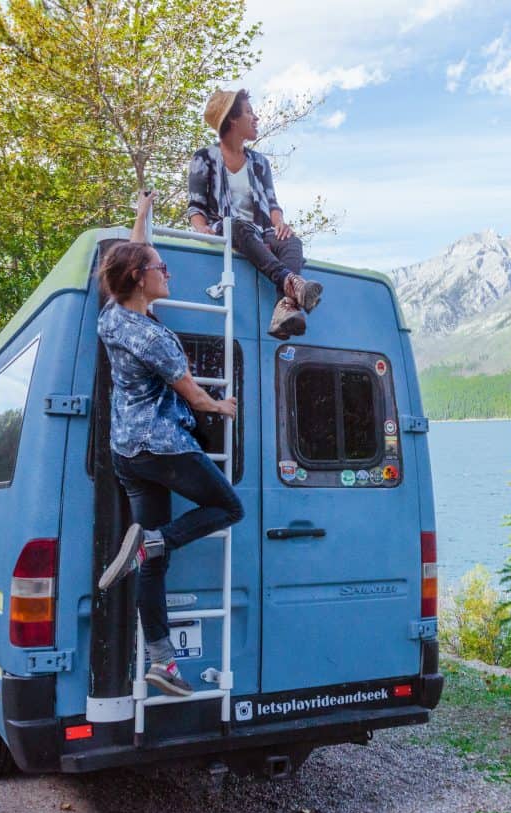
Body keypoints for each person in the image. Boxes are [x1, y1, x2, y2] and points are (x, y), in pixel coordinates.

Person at [95, 192, 244, 697]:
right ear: (141, 278)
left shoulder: (112, 316)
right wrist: (221, 407)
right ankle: (155, 539)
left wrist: (140, 218)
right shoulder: (155, 339)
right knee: (227, 506)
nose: (169, 273)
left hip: (127, 453)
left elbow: (134, 256)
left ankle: (162, 664)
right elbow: (192, 395)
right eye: (162, 268)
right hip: (160, 445)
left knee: (151, 568)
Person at [187, 88, 323, 340]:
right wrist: (200, 229)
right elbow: (195, 205)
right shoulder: (204, 157)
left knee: (291, 241)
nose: (256, 117)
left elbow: (272, 203)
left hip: (261, 232)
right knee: (236, 225)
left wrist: (280, 223)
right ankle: (292, 284)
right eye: (249, 112)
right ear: (232, 119)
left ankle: (285, 308)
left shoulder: (259, 162)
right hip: (226, 228)